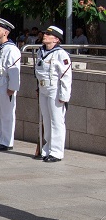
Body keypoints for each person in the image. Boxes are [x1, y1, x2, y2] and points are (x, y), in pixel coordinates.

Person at [35, 25, 72, 162]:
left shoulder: (61, 54)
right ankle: (47, 148)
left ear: (56, 39)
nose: (44, 36)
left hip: (54, 90)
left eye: (48, 35)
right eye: (45, 33)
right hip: (43, 89)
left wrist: (64, 96)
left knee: (56, 121)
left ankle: (56, 152)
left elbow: (66, 76)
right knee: (46, 119)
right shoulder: (41, 51)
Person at [0, 18, 21, 151]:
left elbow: (14, 71)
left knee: (7, 114)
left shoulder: (12, 49)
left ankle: (6, 141)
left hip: (5, 85)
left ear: (5, 33)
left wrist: (12, 88)